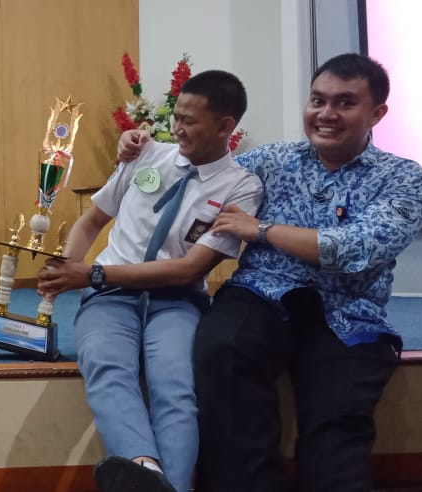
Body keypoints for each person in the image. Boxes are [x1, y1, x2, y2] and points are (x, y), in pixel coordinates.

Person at [119, 53, 422, 491]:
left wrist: (261, 230)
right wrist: (140, 151)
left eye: (344, 103)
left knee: (336, 433)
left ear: (376, 113)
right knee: (221, 352)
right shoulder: (271, 159)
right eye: (317, 100)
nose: (326, 114)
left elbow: (353, 248)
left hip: (347, 315)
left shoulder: (402, 177)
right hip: (260, 295)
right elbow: (201, 169)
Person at [38, 71, 264, 492]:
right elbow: (91, 221)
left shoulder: (241, 187)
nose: (177, 128)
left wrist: (91, 273)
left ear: (225, 126)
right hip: (109, 298)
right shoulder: (146, 156)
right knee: (107, 366)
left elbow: (189, 269)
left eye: (190, 121)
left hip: (177, 301)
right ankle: (149, 471)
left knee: (175, 387)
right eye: (176, 117)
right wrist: (66, 268)